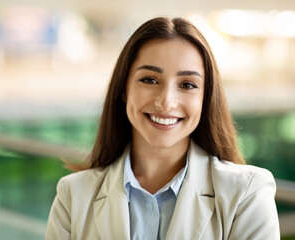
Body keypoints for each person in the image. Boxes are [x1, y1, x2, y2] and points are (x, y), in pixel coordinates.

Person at [45, 17, 280, 240]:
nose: (166, 102)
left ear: (205, 98)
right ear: (124, 89)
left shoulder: (248, 194)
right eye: (149, 80)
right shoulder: (72, 196)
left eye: (187, 84)